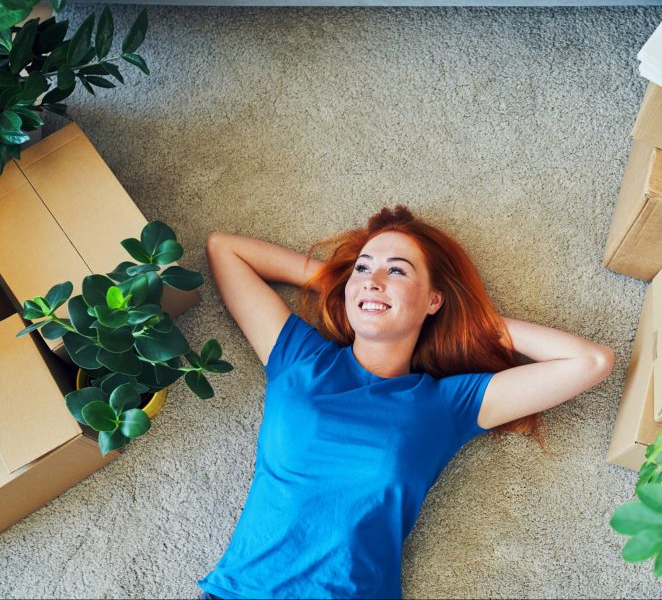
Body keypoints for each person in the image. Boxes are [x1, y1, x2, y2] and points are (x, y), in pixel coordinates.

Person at [196, 205, 615, 600]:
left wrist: (470, 320)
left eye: (397, 270)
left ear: (434, 300)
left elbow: (591, 361)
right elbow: (224, 248)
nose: (373, 278)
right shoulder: (299, 359)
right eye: (363, 266)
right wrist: (347, 284)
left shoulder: (446, 405)